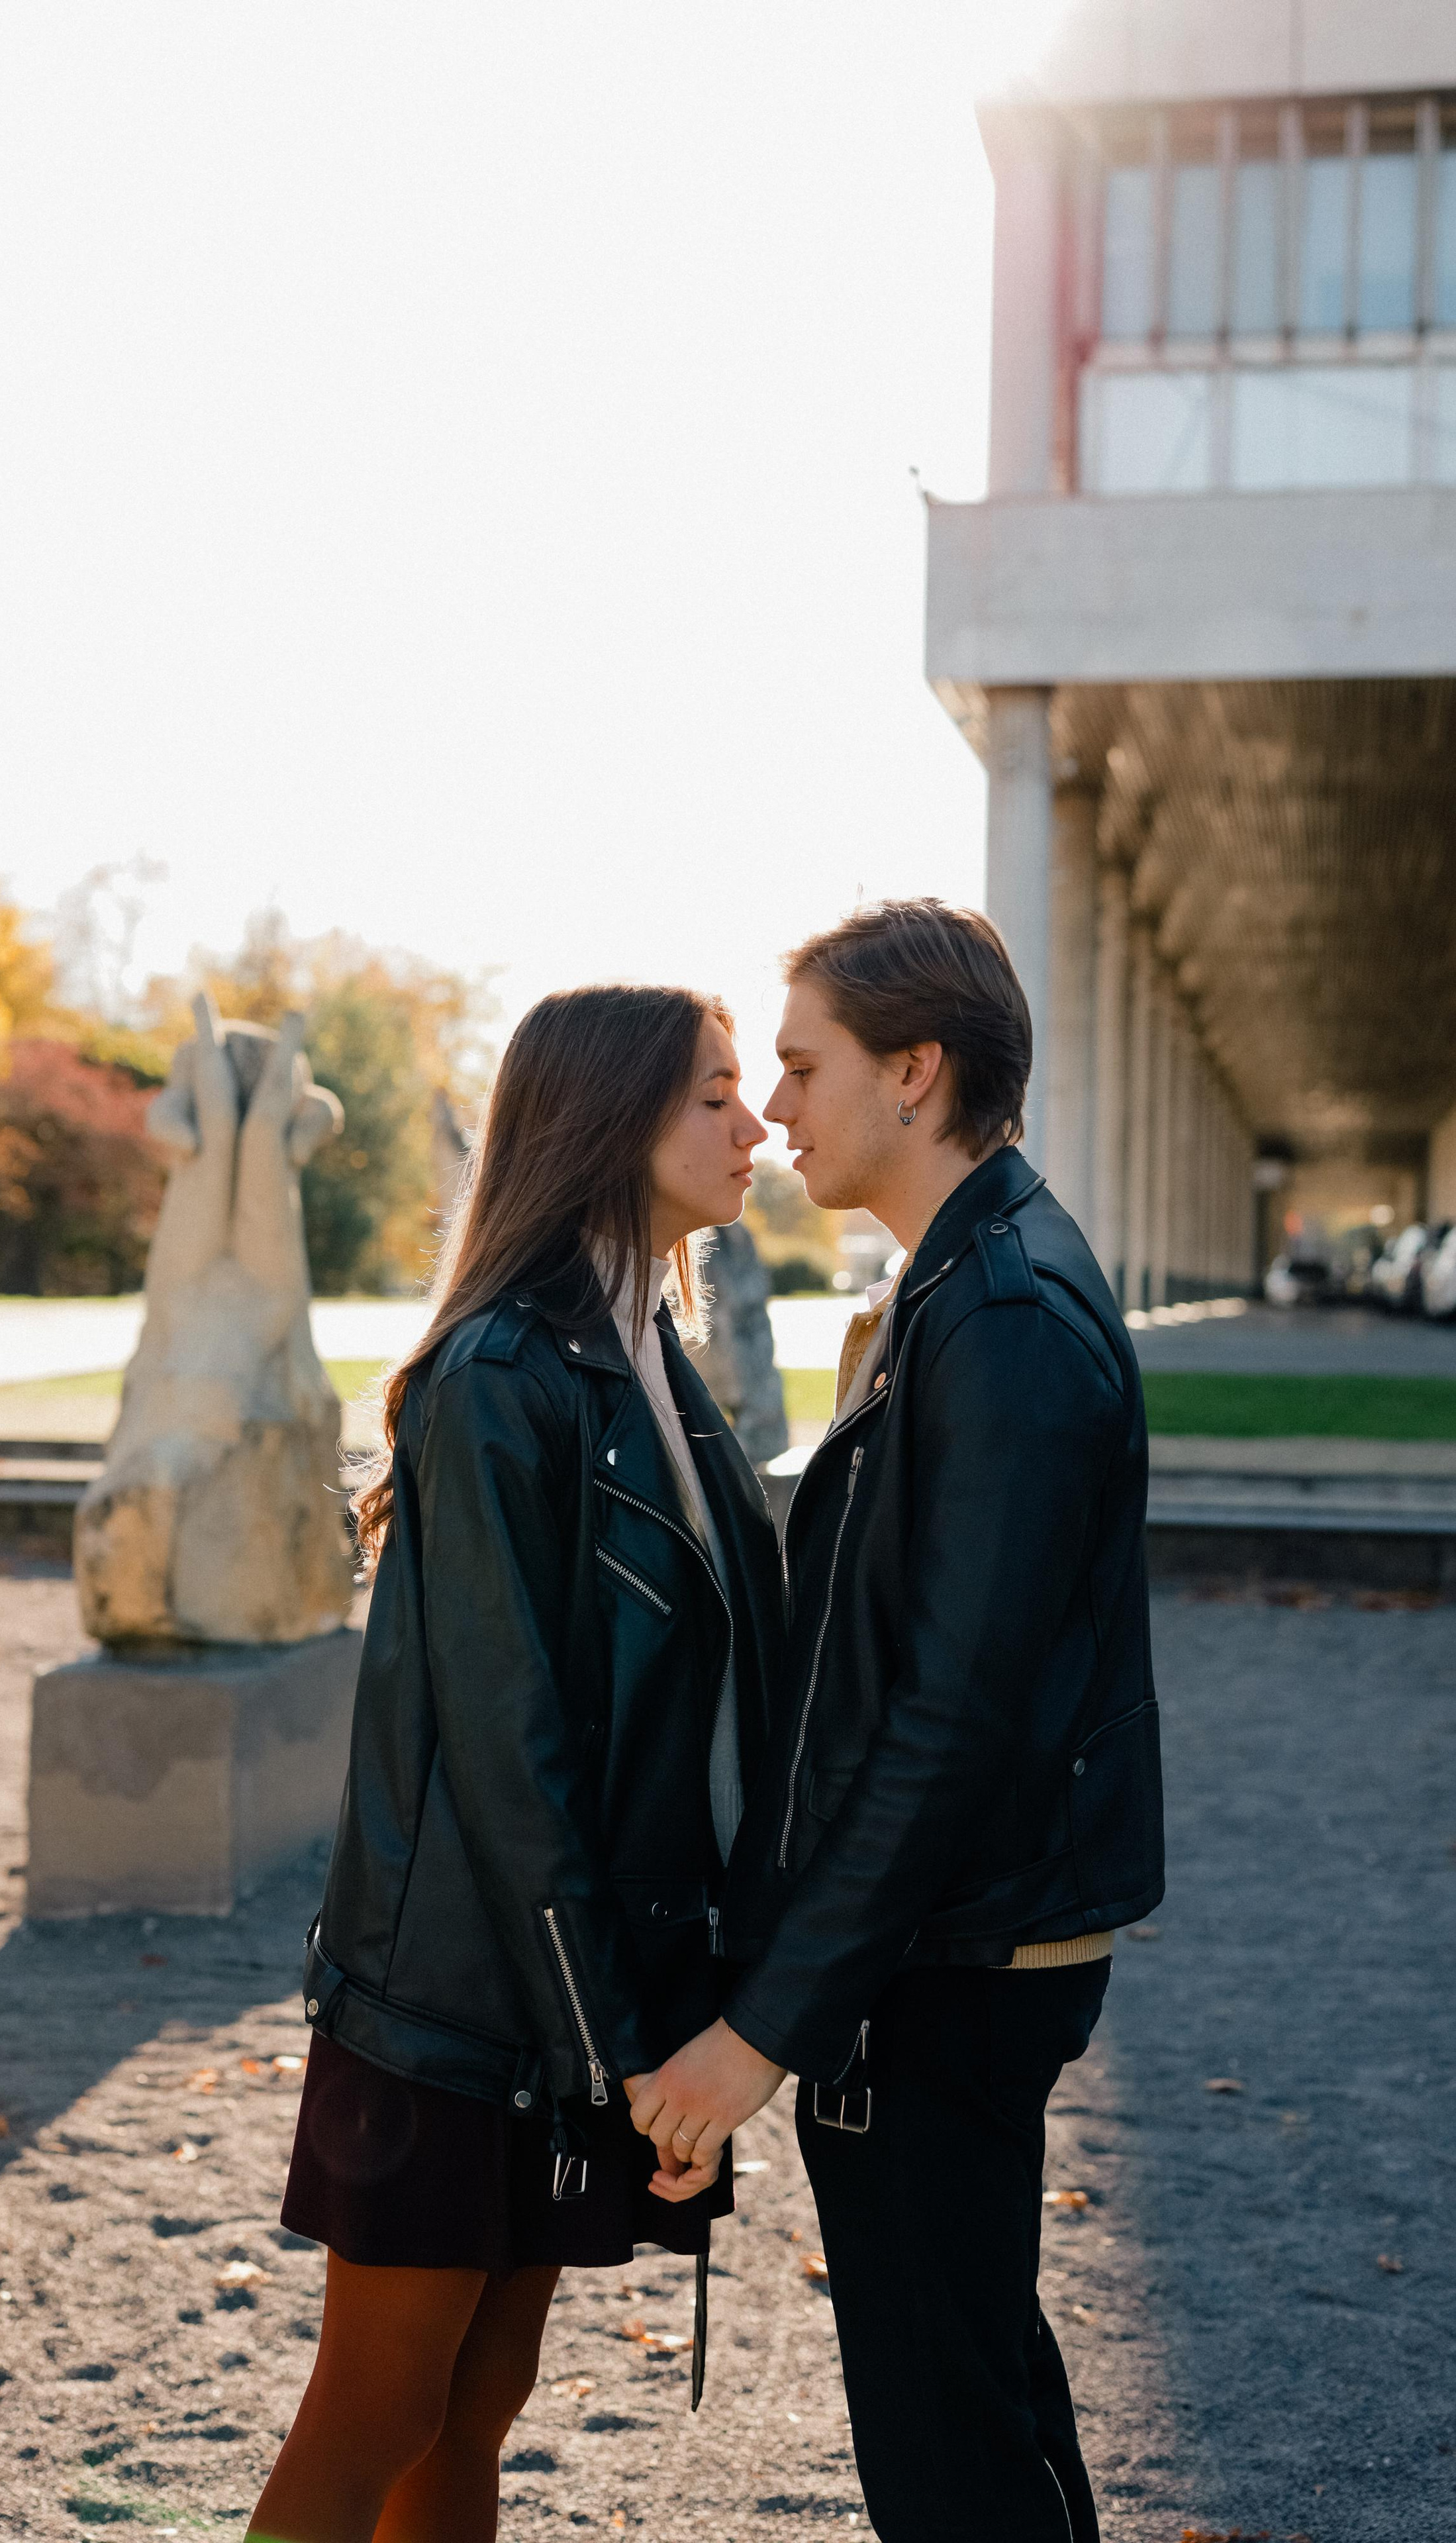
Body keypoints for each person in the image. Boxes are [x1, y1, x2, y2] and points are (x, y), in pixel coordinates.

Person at [629, 899, 1164, 2543]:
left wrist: (763, 2029)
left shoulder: (998, 1323)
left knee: (943, 2444)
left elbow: (949, 1727)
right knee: (975, 2383)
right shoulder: (961, 1290)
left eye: (800, 1066)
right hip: (953, 1951)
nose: (774, 1107)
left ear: (915, 1072)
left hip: (953, 1967)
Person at [246, 984, 784, 2543]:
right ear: (609, 1120)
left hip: (571, 1990)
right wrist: (619, 2040)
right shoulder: (500, 1375)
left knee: (476, 2407)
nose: (753, 1128)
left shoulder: (651, 1361)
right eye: (717, 1095)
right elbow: (504, 1745)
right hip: (454, 2002)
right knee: (378, 2411)